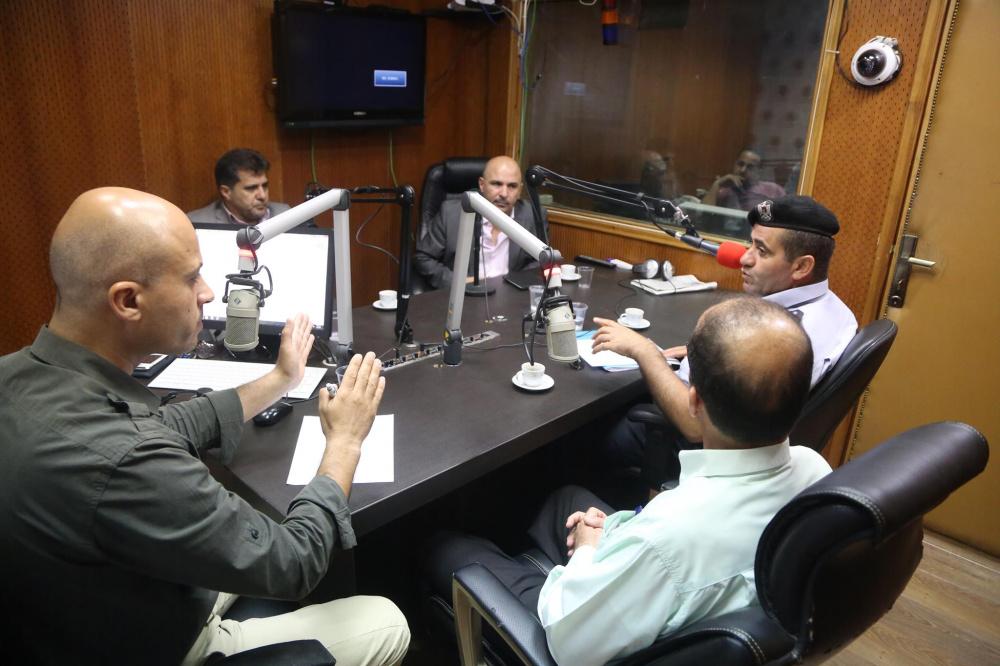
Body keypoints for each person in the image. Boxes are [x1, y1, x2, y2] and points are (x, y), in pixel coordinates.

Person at [0, 188, 409, 665]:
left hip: (90, 606)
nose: (209, 293)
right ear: (128, 300)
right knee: (387, 619)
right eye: (192, 277)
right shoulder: (125, 460)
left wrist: (281, 379)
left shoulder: (18, 376)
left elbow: (163, 423)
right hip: (162, 639)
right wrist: (345, 442)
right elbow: (294, 562)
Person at [422, 298, 832, 665]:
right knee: (565, 499)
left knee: (446, 547)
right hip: (671, 582)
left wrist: (587, 551)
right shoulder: (815, 472)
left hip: (569, 634)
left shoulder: (667, 539)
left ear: (694, 401)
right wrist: (615, 535)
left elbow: (569, 643)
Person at [595, 195, 858, 477]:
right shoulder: (835, 312)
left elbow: (696, 427)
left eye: (762, 251)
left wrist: (644, 351)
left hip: (694, 447)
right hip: (747, 443)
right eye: (750, 244)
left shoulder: (780, 336)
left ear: (802, 267)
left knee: (588, 430)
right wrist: (714, 353)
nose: (744, 258)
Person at [414, 155, 548, 289]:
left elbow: (541, 260)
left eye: (512, 186)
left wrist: (512, 283)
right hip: (466, 293)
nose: (504, 194)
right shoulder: (450, 214)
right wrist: (459, 282)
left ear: (520, 190)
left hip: (510, 294)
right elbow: (423, 258)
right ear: (482, 185)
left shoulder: (534, 216)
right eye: (497, 184)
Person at [188, 148, 291, 225]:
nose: (262, 196)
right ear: (226, 192)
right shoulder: (198, 223)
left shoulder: (286, 215)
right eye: (251, 188)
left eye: (264, 186)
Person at [702, 149, 785, 211]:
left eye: (750, 167)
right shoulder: (725, 189)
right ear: (734, 164)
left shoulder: (772, 189)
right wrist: (717, 184)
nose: (743, 170)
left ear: (758, 170)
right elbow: (704, 215)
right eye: (740, 164)